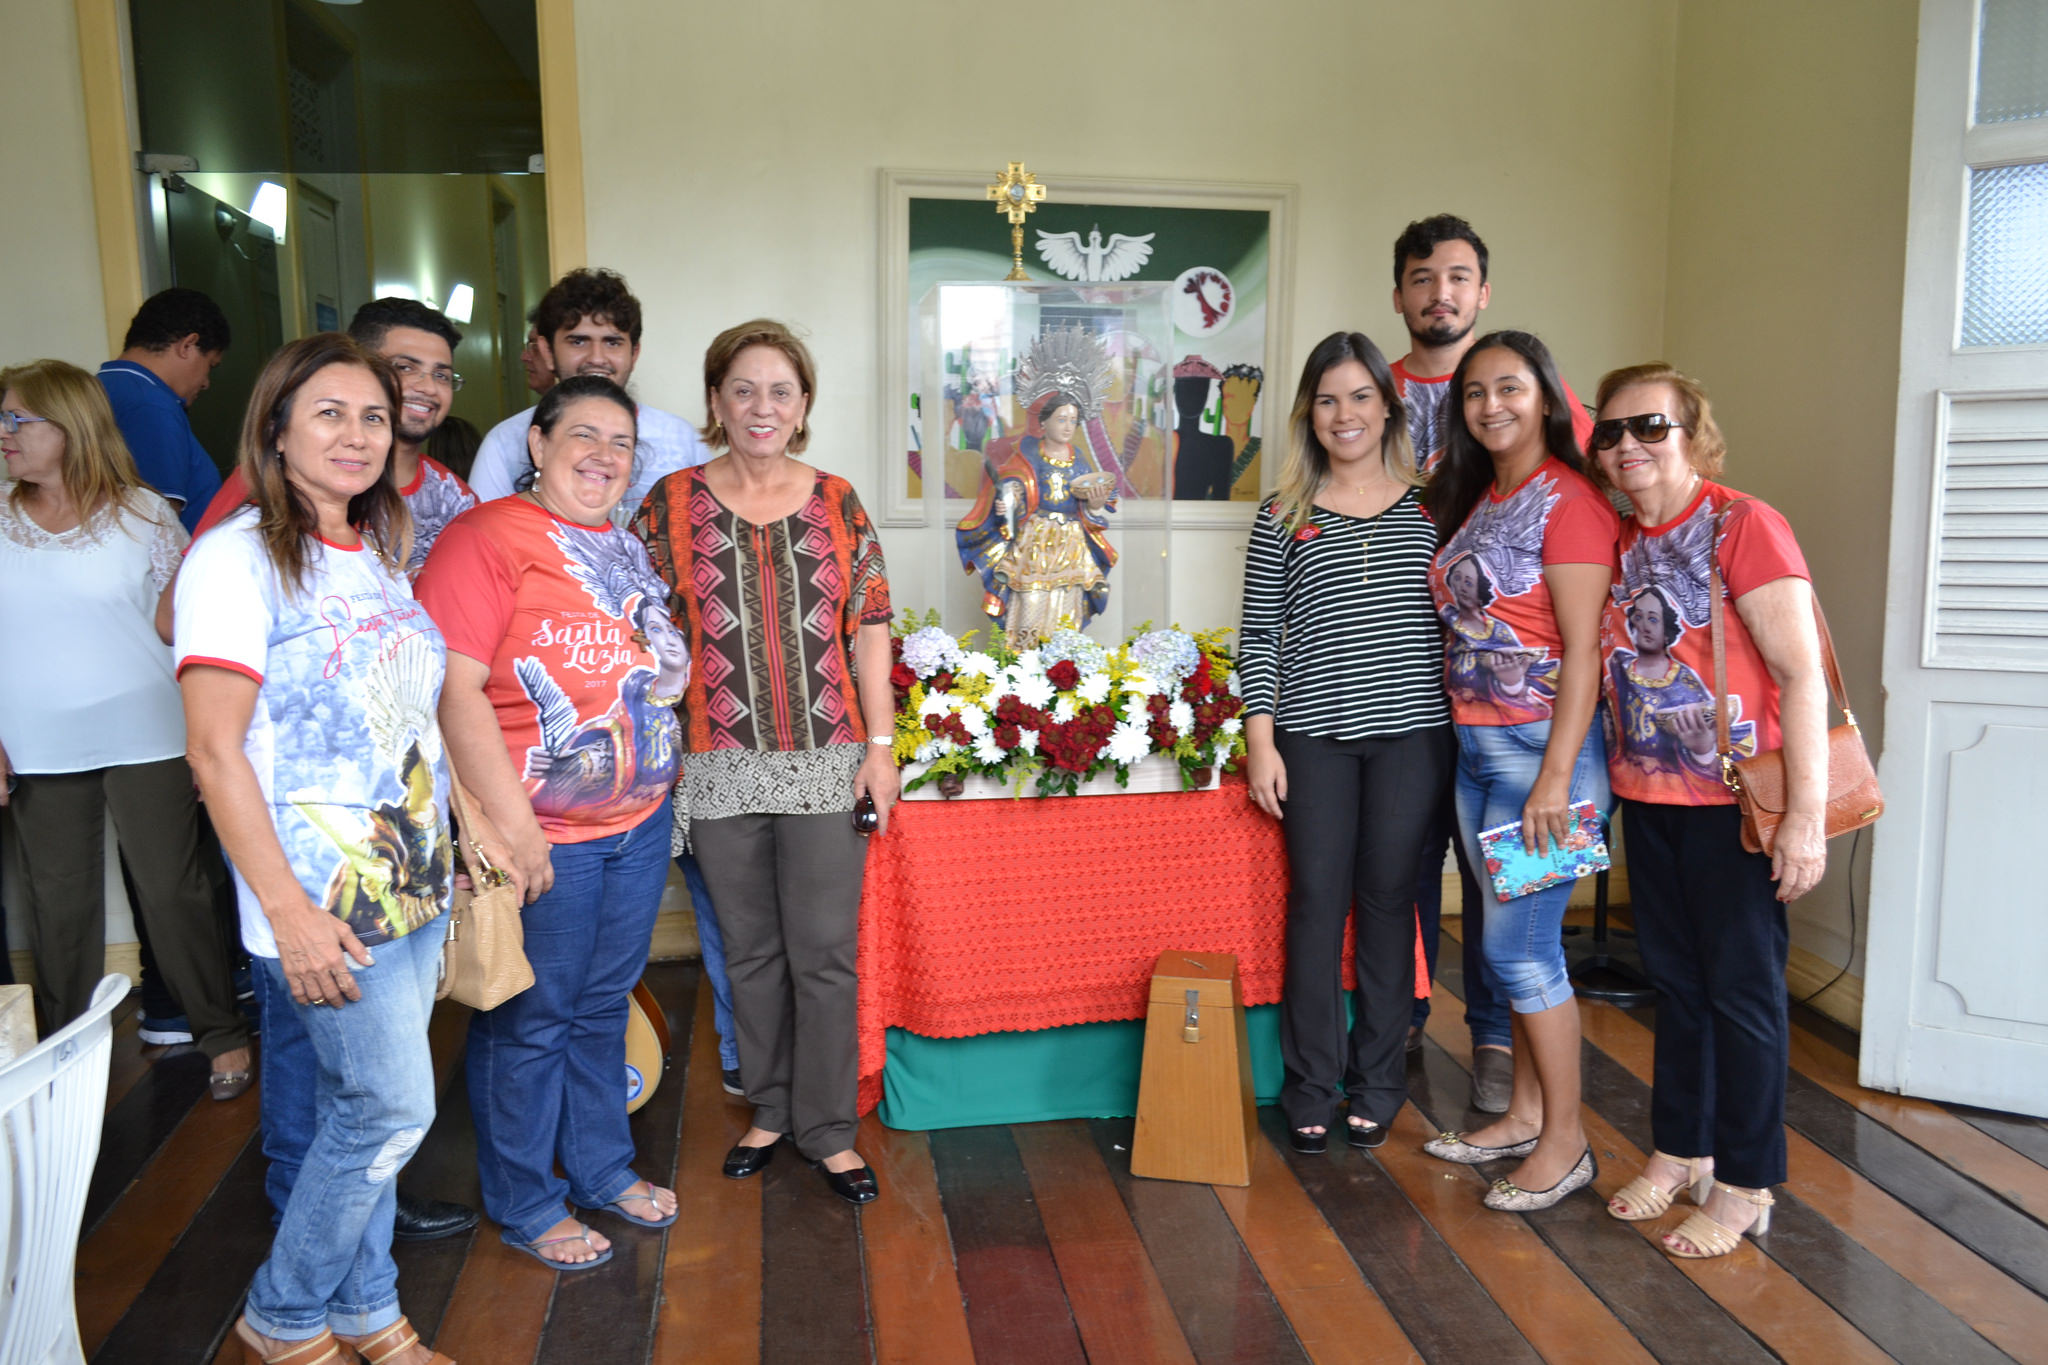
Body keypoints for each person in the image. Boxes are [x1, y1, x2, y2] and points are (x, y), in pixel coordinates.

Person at [177, 333, 455, 1365]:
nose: (355, 434)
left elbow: (406, 725)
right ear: (277, 430)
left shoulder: (377, 553)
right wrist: (287, 911)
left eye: (373, 416)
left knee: (366, 1119)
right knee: (386, 1112)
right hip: (322, 898)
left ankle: (369, 1311)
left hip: (410, 884)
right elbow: (213, 751)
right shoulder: (234, 558)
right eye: (329, 413)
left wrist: (454, 845)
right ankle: (285, 1315)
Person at [416, 374, 682, 1269]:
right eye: (584, 436)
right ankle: (528, 1200)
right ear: (537, 444)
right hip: (544, 832)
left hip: (638, 822)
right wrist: (510, 828)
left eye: (621, 443)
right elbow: (454, 692)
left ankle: (602, 1167)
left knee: (604, 1004)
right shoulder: (484, 538)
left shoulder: (622, 544)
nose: (604, 456)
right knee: (533, 1019)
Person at [632, 319, 897, 1205]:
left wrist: (882, 749)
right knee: (748, 952)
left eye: (780, 391)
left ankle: (828, 1128)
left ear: (804, 406)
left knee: (822, 953)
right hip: (713, 763)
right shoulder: (666, 505)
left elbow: (871, 630)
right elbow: (641, 636)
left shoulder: (837, 501)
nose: (761, 406)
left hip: (826, 760)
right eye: (742, 388)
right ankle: (771, 1109)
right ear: (715, 401)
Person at [1588, 363, 1825, 1258]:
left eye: (1649, 425)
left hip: (1733, 807)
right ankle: (1680, 1146)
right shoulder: (1618, 535)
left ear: (1692, 430)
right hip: (1646, 799)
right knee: (1678, 989)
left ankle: (1747, 1178)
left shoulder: (1742, 524)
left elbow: (1801, 675)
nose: (1628, 445)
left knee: (1744, 997)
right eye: (1610, 432)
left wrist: (1802, 817)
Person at [1387, 214, 1597, 1106]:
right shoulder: (1397, 414)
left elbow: (1586, 626)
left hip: (1537, 733)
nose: (1442, 293)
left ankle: (1520, 1078)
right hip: (1439, 705)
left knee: (1517, 933)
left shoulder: (1563, 482)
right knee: (1437, 876)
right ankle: (1414, 1034)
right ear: (1400, 293)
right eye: (1424, 278)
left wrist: (1561, 769)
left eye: (1460, 276)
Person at [0, 360, 252, 1097]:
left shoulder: (142, 513)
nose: (6, 434)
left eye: (21, 419)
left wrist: (215, 738)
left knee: (175, 892)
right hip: (38, 743)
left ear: (72, 427)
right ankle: (63, 1051)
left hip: (149, 732)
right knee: (55, 903)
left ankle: (221, 1035)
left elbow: (189, 626)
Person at [1239, 333, 1453, 1154]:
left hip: (1412, 740)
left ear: (1387, 406)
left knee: (1391, 905)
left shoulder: (1434, 503)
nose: (1345, 414)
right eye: (1328, 400)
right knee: (1316, 907)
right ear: (1309, 414)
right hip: (1311, 740)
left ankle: (1380, 1080)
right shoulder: (1283, 514)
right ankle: (1310, 1085)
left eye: (1360, 396)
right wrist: (1263, 741)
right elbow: (1261, 633)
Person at [1419, 330, 1617, 1213]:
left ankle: (1568, 1144)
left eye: (1509, 387)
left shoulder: (1569, 501)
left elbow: (1582, 654)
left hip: (1546, 761)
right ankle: (1528, 1115)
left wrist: (1556, 778)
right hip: (1478, 753)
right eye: (1473, 392)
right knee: (1506, 955)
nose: (1490, 404)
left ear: (1547, 395)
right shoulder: (1486, 496)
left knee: (1520, 950)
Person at [193, 298, 479, 575]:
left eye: (441, 375)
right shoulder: (268, 478)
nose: (428, 387)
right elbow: (176, 614)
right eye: (405, 367)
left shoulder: (454, 497)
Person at [467, 269, 711, 522]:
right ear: (547, 352)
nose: (596, 358)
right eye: (578, 342)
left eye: (612, 342)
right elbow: (484, 537)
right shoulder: (505, 443)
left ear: (634, 354)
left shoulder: (685, 442)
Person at [956, 327, 1119, 644]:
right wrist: (1009, 503)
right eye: (1061, 419)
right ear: (1043, 422)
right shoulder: (1028, 454)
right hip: (1036, 540)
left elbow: (1091, 499)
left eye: (1073, 420)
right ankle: (1023, 660)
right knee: (1030, 598)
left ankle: (1063, 664)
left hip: (1071, 542)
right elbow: (1015, 483)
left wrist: (1096, 504)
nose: (1068, 426)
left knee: (1067, 601)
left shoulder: (1078, 457)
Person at [98, 287, 231, 533]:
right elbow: (159, 529)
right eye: (209, 366)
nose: (205, 382)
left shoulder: (96, 386)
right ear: (188, 345)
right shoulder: (152, 406)